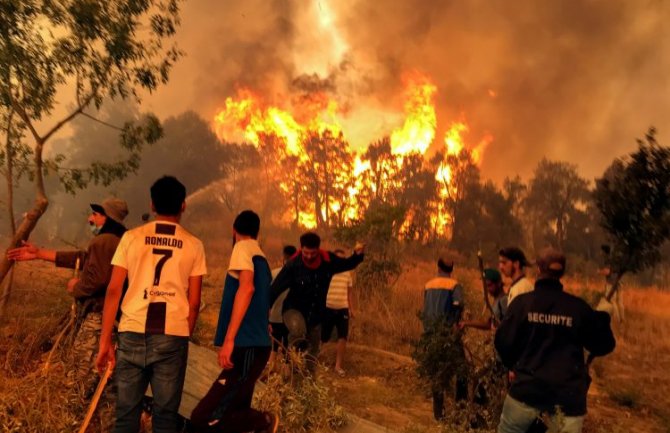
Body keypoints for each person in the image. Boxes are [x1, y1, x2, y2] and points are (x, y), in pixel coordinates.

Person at [95, 176, 207, 433]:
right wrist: (183, 335)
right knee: (165, 418)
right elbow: (195, 301)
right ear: (183, 205)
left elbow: (113, 289)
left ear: (152, 205)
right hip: (172, 335)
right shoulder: (194, 245)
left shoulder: (131, 238)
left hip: (131, 330)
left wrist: (104, 342)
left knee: (126, 416)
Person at [8, 197, 128, 396]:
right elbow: (84, 258)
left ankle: (75, 410)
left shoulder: (103, 241)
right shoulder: (119, 241)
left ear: (108, 218)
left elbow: (96, 280)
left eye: (96, 215)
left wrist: (76, 287)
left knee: (82, 369)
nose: (90, 218)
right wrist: (39, 253)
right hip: (115, 318)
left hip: (98, 317)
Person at [495, 248, 616, 433]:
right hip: (567, 399)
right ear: (562, 273)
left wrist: (514, 366)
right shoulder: (578, 308)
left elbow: (503, 342)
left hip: (526, 391)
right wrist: (603, 317)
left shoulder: (522, 304)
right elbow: (604, 344)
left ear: (538, 269)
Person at [191, 210, 278, 433]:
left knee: (203, 417)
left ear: (234, 230)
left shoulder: (241, 247)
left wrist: (229, 340)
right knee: (235, 409)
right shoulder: (261, 257)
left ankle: (264, 421)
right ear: (257, 232)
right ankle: (257, 425)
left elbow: (247, 288)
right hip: (256, 346)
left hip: (246, 347)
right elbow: (262, 299)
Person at [270, 232, 364, 373]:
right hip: (293, 311)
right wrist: (265, 311)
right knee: (298, 331)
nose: (308, 256)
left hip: (315, 315)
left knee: (313, 350)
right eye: (306, 252)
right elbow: (275, 289)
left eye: (312, 253)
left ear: (318, 250)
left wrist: (357, 255)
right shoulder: (293, 265)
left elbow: (347, 263)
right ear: (301, 248)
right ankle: (289, 365)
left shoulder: (328, 261)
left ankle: (308, 380)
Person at [423, 257, 467, 421]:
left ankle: (438, 414)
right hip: (448, 335)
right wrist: (455, 324)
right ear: (452, 269)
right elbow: (458, 304)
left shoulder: (428, 285)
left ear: (438, 267)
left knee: (437, 372)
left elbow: (425, 310)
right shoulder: (454, 285)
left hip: (430, 335)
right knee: (462, 370)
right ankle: (461, 409)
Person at [321, 249, 355, 377]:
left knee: (343, 337)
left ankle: (338, 366)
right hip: (328, 307)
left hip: (343, 309)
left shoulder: (347, 274)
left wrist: (351, 309)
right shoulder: (327, 272)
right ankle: (317, 362)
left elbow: (349, 294)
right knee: (323, 337)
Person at [269, 245, 297, 358]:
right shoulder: (298, 275)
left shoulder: (274, 273)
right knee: (288, 346)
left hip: (274, 315)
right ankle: (285, 371)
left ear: (283, 257)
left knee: (274, 347)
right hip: (290, 317)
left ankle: (272, 369)